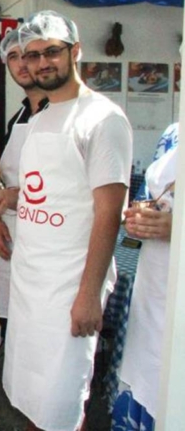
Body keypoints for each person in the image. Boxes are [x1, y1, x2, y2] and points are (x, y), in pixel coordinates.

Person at [0, 11, 133, 431]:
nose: (41, 62)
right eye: (31, 55)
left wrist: (89, 295)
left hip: (69, 286)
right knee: (32, 398)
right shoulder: (42, 117)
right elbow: (44, 189)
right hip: (30, 281)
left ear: (75, 50)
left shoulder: (102, 119)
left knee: (63, 401)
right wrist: (10, 196)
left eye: (51, 51)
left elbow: (109, 214)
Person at [113, 122, 178, 430]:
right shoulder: (173, 134)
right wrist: (139, 216)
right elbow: (146, 195)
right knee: (147, 377)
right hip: (154, 285)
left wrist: (178, 228)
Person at [0, 30, 48, 326]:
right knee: (12, 325)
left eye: (29, 54)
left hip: (47, 241)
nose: (22, 63)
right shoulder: (18, 118)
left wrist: (18, 197)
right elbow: (1, 179)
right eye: (13, 56)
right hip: (12, 236)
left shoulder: (60, 114)